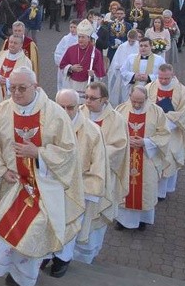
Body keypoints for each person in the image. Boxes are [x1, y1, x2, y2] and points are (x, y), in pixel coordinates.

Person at [0, 67, 83, 286]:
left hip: (44, 187)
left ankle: (24, 278)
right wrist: (2, 170)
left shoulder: (55, 113)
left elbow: (69, 152)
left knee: (33, 233)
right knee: (8, 231)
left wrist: (38, 153)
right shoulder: (1, 111)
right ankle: (9, 269)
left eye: (22, 88)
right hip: (11, 185)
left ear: (36, 87)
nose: (17, 93)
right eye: (13, 88)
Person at [53, 89, 108, 271]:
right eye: (62, 107)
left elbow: (98, 165)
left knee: (69, 224)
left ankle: (62, 260)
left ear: (79, 106)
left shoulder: (92, 131)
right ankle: (47, 254)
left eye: (71, 108)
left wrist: (88, 190)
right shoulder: (48, 124)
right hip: (51, 186)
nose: (66, 112)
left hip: (77, 188)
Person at [81, 81, 129, 261]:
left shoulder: (116, 120)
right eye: (86, 97)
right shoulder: (80, 113)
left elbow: (119, 147)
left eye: (93, 98)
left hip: (102, 177)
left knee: (95, 217)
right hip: (80, 177)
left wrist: (92, 158)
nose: (88, 101)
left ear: (105, 99)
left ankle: (88, 254)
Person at [115, 85, 170, 231]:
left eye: (140, 101)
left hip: (146, 157)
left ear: (146, 98)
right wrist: (126, 141)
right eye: (134, 101)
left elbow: (164, 134)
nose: (137, 104)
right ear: (129, 97)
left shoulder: (157, 112)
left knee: (146, 188)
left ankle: (142, 220)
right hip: (126, 156)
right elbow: (112, 132)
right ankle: (122, 221)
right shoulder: (120, 110)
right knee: (124, 187)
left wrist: (145, 142)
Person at [146, 64, 185, 199]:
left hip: (172, 131)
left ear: (173, 75)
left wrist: (165, 122)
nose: (163, 81)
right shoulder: (150, 87)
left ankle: (162, 192)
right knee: (153, 160)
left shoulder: (182, 91)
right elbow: (145, 107)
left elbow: (183, 113)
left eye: (166, 78)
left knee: (169, 158)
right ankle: (151, 188)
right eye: (161, 78)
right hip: (154, 131)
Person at [59, 19, 106, 92]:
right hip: (71, 85)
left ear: (89, 38)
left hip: (87, 86)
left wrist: (93, 74)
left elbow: (99, 74)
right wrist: (71, 68)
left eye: (83, 37)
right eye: (79, 37)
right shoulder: (71, 49)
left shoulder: (96, 53)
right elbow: (62, 66)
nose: (80, 39)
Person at [0, 35, 33, 100]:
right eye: (11, 42)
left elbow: (26, 80)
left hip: (13, 97)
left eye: (15, 43)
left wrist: (7, 81)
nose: (12, 45)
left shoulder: (26, 62)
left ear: (21, 45)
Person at [107, 29, 141, 107]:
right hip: (122, 74)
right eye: (129, 40)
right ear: (127, 37)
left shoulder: (139, 46)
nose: (130, 43)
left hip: (135, 74)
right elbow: (116, 60)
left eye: (133, 41)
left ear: (136, 39)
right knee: (123, 93)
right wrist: (118, 66)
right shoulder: (122, 46)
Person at [54, 19, 79, 90]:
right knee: (63, 85)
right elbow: (58, 52)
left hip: (76, 67)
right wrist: (62, 63)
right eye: (71, 27)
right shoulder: (65, 39)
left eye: (74, 27)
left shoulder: (80, 39)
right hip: (65, 67)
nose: (72, 29)